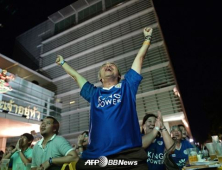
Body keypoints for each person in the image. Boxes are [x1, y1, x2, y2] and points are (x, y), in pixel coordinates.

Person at [56, 27, 153, 169]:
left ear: (119, 75)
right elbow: (76, 77)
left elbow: (139, 58)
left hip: (129, 157)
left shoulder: (128, 87)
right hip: (96, 158)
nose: (108, 65)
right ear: (100, 78)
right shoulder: (93, 93)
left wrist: (147, 39)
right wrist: (63, 63)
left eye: (112, 65)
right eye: (104, 66)